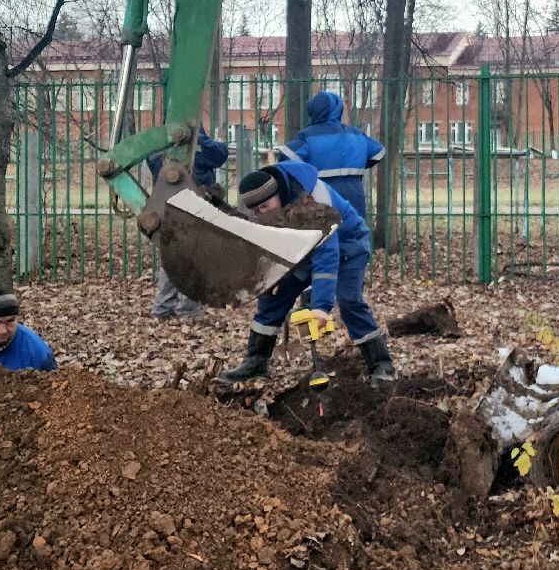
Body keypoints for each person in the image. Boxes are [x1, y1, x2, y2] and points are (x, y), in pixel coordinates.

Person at [218, 160, 396, 384]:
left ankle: (382, 365)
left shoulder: (311, 202)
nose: (261, 213)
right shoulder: (271, 210)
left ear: (277, 194)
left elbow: (327, 254)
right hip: (305, 252)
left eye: (264, 206)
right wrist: (276, 275)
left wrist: (320, 307)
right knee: (273, 295)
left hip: (347, 247)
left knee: (349, 301)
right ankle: (255, 362)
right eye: (256, 210)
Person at [147, 125, 230, 319]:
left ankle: (162, 308)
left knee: (172, 257)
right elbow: (220, 155)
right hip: (196, 205)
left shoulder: (156, 142)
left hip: (166, 205)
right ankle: (187, 310)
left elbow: (152, 164)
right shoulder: (196, 139)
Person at [279, 91, 384, 218]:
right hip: (354, 201)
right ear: (339, 110)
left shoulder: (309, 136)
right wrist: (360, 163)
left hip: (322, 201)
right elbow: (379, 152)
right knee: (354, 235)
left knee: (325, 236)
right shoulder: (356, 134)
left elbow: (286, 155)